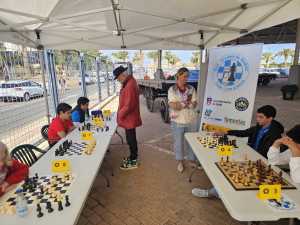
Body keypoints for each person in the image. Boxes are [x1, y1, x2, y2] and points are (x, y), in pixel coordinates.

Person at [192, 105, 284, 198]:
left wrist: (248, 159)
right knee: (225, 166)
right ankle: (221, 191)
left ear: (270, 118)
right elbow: (244, 132)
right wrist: (226, 132)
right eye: (257, 116)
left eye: (261, 117)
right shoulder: (259, 126)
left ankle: (211, 193)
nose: (257, 119)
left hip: (261, 162)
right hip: (251, 156)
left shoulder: (275, 134)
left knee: (232, 175)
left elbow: (267, 154)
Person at [168, 67, 197, 173]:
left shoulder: (191, 88)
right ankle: (180, 161)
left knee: (191, 142)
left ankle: (191, 160)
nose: (186, 78)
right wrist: (185, 103)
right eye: (184, 76)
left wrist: (184, 104)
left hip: (190, 120)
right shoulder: (172, 90)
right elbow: (173, 105)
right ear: (178, 76)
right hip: (177, 120)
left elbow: (194, 103)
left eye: (187, 76)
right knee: (178, 142)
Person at [114, 66, 142, 170]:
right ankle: (132, 156)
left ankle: (134, 159)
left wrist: (119, 115)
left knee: (131, 139)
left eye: (118, 78)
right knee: (131, 138)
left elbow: (129, 105)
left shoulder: (130, 85)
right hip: (128, 118)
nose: (118, 80)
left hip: (129, 118)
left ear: (122, 75)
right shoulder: (129, 82)